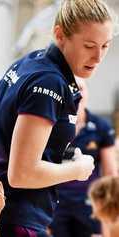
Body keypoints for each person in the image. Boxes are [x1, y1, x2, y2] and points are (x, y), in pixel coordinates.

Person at [0, 0, 116, 236]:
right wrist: (77, 169)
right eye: (89, 46)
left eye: (106, 46)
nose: (98, 57)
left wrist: (12, 161)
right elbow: (21, 173)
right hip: (13, 220)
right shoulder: (50, 82)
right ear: (60, 34)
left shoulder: (28, 62)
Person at [50, 78, 118, 237]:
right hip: (57, 201)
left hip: (90, 202)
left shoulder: (101, 126)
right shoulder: (50, 124)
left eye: (80, 88)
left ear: (87, 93)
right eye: (71, 88)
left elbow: (110, 173)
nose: (76, 93)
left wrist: (110, 211)